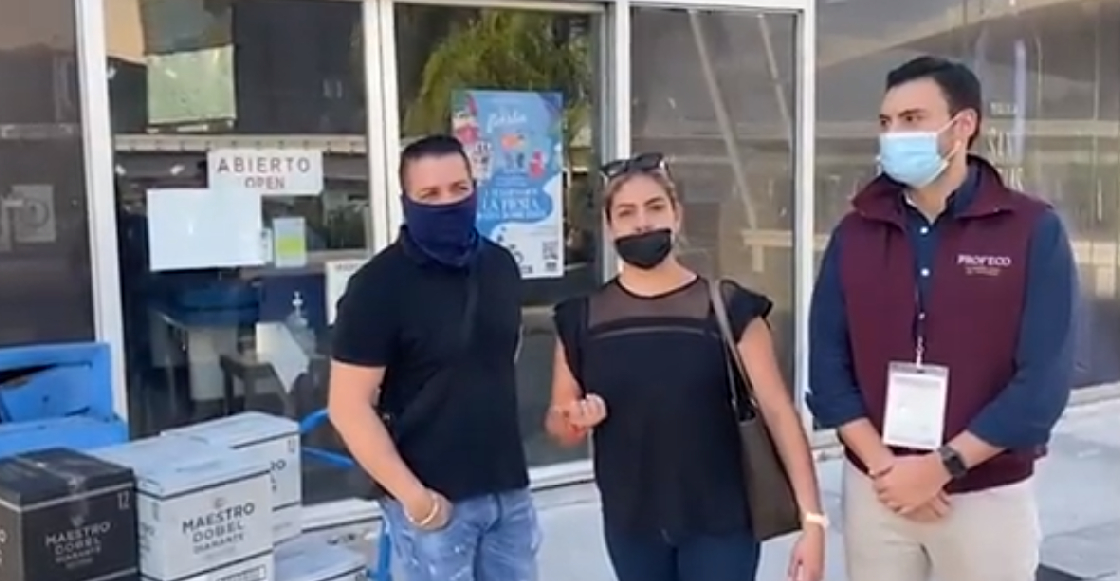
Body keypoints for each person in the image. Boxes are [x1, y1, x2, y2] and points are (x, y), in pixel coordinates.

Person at [807, 56, 1077, 581]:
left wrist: (942, 466)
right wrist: (887, 468)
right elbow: (827, 365)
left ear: (963, 125)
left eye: (912, 119)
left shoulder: (1030, 230)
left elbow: (1042, 385)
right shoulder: (856, 233)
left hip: (984, 494)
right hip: (878, 489)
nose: (894, 135)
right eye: (886, 122)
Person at [546, 152, 826, 581]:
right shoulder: (580, 319)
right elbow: (559, 423)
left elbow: (779, 413)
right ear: (609, 226)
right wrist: (574, 418)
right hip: (631, 524)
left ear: (677, 215)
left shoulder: (729, 308)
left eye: (655, 207)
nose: (642, 222)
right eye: (626, 213)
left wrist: (813, 521)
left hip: (722, 522)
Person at [328, 134, 537, 581]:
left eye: (459, 189)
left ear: (475, 188)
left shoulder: (500, 266)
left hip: (508, 493)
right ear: (406, 201)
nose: (447, 203)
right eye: (430, 194)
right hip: (434, 507)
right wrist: (416, 499)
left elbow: (502, 357)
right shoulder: (377, 287)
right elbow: (348, 406)